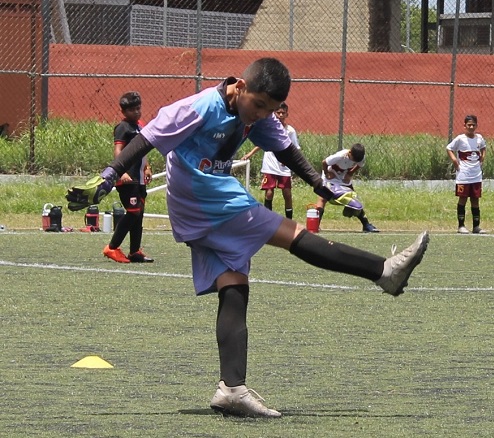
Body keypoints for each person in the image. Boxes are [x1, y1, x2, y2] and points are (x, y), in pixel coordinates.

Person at [66, 58, 428, 418]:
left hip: (207, 199)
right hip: (205, 197)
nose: (258, 116)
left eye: (268, 110)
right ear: (240, 86)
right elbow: (148, 137)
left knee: (234, 283)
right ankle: (383, 270)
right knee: (290, 233)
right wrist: (109, 175)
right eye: (257, 105)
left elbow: (286, 151)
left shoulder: (257, 117)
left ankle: (232, 390)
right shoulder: (199, 107)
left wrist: (321, 186)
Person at [102, 91, 154, 263]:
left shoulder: (141, 126)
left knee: (139, 214)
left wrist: (147, 167)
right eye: (132, 110)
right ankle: (112, 247)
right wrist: (121, 171)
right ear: (124, 112)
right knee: (132, 212)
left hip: (139, 178)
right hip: (127, 178)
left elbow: (143, 149)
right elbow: (118, 150)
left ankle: (134, 251)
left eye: (138, 108)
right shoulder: (123, 127)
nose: (137, 112)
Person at [240, 102, 298, 220]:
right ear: (274, 113)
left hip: (283, 167)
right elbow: (262, 143)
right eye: (278, 113)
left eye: (283, 113)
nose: (280, 115)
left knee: (287, 193)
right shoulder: (270, 128)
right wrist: (250, 154)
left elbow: (295, 147)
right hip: (270, 165)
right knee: (269, 192)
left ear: (287, 114)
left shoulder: (290, 131)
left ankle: (289, 220)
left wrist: (287, 160)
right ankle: (268, 219)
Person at [314, 143, 380, 233]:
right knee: (323, 198)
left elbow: (360, 165)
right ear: (349, 153)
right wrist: (327, 174)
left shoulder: (360, 157)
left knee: (354, 200)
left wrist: (350, 173)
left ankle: (366, 225)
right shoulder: (340, 156)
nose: (354, 162)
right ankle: (315, 225)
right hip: (330, 177)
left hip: (343, 178)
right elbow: (324, 162)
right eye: (353, 160)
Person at [446, 114, 487, 234]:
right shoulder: (460, 139)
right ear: (464, 126)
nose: (471, 127)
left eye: (473, 125)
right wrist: (454, 160)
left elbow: (483, 147)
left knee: (475, 200)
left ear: (476, 126)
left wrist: (482, 157)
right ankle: (461, 226)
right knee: (463, 198)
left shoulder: (479, 138)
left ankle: (476, 226)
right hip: (464, 175)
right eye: (469, 125)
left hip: (476, 175)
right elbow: (449, 148)